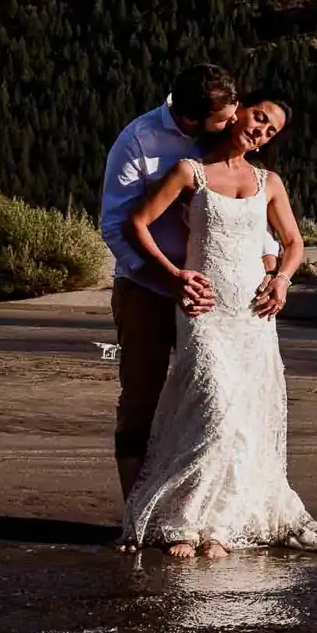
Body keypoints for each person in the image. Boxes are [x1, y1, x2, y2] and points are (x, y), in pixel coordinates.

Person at [118, 92, 317, 558]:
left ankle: (219, 527)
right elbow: (137, 222)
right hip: (204, 310)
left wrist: (283, 281)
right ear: (238, 113)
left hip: (254, 315)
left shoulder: (269, 181)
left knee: (243, 419)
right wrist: (173, 276)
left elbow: (293, 242)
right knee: (212, 407)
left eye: (271, 130)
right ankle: (183, 524)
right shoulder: (188, 172)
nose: (261, 130)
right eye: (259, 117)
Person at [99, 64, 276, 503]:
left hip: (220, 300)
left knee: (213, 398)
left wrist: (273, 272)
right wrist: (170, 280)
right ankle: (136, 512)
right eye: (227, 117)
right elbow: (117, 227)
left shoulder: (227, 140)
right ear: (192, 120)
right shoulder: (139, 142)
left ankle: (202, 509)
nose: (238, 120)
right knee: (144, 397)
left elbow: (250, 214)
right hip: (149, 289)